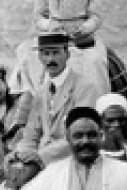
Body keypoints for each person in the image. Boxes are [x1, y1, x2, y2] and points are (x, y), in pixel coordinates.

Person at [12, 34, 103, 176]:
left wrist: (40, 156)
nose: (50, 59)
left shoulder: (85, 88)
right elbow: (31, 134)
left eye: (55, 53)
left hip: (72, 159)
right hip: (41, 162)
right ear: (39, 57)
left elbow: (81, 135)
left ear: (67, 54)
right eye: (45, 53)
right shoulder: (41, 92)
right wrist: (22, 154)